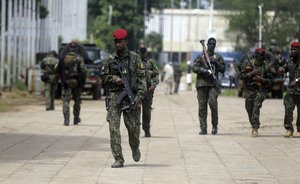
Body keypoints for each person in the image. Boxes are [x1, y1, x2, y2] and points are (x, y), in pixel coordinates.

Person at [100, 28, 146, 168]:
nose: (117, 44)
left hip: (131, 97)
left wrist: (138, 98)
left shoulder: (135, 58)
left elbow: (142, 80)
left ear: (125, 41)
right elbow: (103, 76)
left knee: (133, 130)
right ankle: (118, 158)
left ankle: (135, 146)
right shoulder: (110, 59)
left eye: (120, 41)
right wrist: (114, 78)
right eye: (116, 42)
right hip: (115, 97)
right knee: (114, 129)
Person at [192, 37, 225, 135]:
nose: (212, 45)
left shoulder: (218, 57)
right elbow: (194, 67)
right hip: (201, 84)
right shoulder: (200, 56)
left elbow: (223, 69)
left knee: (213, 104)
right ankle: (203, 128)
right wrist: (204, 71)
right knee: (202, 107)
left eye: (214, 44)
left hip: (213, 84)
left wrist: (216, 62)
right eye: (210, 43)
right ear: (207, 45)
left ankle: (215, 126)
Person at [239, 48, 272, 137]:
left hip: (260, 91)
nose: (261, 57)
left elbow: (270, 81)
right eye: (259, 55)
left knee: (256, 108)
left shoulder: (266, 66)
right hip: (249, 90)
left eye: (262, 55)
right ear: (256, 55)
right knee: (249, 108)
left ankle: (255, 128)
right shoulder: (249, 64)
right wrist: (251, 73)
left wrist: (261, 79)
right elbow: (241, 76)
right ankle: (254, 123)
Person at [56, 41, 87, 126]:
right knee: (77, 101)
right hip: (76, 82)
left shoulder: (63, 57)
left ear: (69, 49)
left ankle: (66, 119)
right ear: (76, 49)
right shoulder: (79, 58)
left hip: (66, 82)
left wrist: (62, 78)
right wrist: (82, 81)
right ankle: (76, 119)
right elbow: (83, 71)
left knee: (65, 101)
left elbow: (56, 68)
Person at [138, 42, 159, 137]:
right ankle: (136, 130)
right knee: (136, 111)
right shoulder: (134, 61)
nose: (142, 52)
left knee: (147, 112)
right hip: (137, 91)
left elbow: (156, 75)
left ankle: (146, 129)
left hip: (148, 91)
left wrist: (153, 85)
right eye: (141, 50)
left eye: (144, 50)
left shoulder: (151, 62)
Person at [279, 42, 300, 138]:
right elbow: (286, 67)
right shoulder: (291, 60)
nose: (292, 51)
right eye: (291, 49)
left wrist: (296, 81)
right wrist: (282, 68)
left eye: (295, 49)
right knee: (288, 108)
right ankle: (289, 129)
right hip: (291, 90)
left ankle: (299, 130)